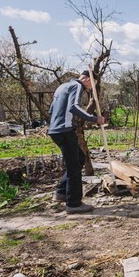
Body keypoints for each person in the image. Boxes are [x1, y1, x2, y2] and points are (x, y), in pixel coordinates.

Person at [48, 70, 105, 214]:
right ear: (87, 79)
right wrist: (94, 118)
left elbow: (51, 110)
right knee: (74, 167)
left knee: (79, 159)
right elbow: (73, 107)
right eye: (93, 84)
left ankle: (61, 192)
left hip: (56, 130)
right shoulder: (77, 86)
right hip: (64, 130)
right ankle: (73, 204)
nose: (91, 88)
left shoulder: (62, 87)